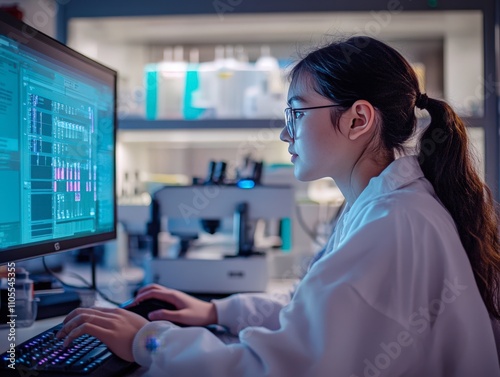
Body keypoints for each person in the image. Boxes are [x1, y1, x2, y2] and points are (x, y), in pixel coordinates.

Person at [57, 36, 500, 376]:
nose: (286, 135)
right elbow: (314, 309)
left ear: (358, 119)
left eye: (297, 113)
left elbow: (270, 368)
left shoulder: (391, 224)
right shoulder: (384, 205)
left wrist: (148, 341)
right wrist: (216, 311)